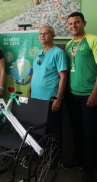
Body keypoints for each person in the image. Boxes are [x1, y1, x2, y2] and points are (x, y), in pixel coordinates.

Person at [61, 12, 97, 182]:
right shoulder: (69, 45)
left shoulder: (94, 40)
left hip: (90, 95)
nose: (73, 26)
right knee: (76, 130)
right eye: (70, 23)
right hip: (73, 95)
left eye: (77, 22)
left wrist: (95, 92)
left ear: (84, 23)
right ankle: (78, 159)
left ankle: (89, 170)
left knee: (90, 133)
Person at [27, 25, 68, 163]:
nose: (42, 36)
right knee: (38, 129)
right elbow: (35, 73)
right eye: (40, 34)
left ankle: (54, 159)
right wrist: (29, 88)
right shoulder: (39, 52)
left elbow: (63, 77)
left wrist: (58, 98)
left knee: (53, 130)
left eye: (46, 33)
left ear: (53, 35)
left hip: (50, 98)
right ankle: (40, 155)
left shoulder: (58, 53)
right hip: (36, 98)